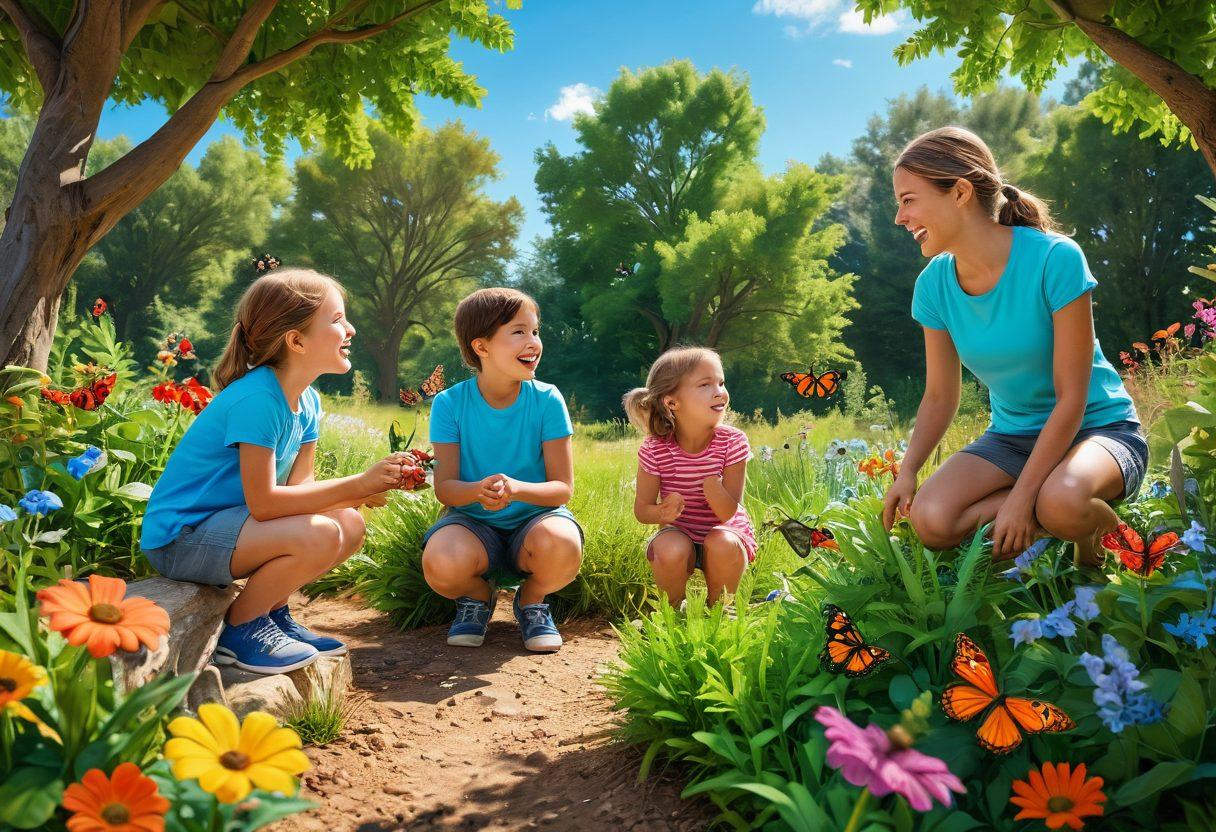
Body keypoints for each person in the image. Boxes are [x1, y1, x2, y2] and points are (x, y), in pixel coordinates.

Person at [881, 126, 1147, 565]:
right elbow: (940, 396)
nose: (900, 217)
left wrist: (1024, 498)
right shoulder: (933, 287)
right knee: (932, 521)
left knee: (1060, 501)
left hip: (1098, 430)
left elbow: (1072, 397)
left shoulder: (1054, 258)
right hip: (1013, 438)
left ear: (960, 192)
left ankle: (1119, 555)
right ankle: (1056, 519)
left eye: (908, 200)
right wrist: (908, 470)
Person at [141, 270, 405, 674]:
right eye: (337, 319)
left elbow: (301, 488)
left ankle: (273, 613)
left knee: (348, 523)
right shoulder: (258, 399)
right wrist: (357, 482)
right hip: (181, 539)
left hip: (229, 527)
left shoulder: (308, 400)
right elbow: (265, 504)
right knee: (321, 533)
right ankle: (241, 628)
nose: (350, 329)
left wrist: (361, 492)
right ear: (296, 341)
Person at [420, 287, 583, 652]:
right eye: (519, 331)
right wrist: (478, 491)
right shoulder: (449, 404)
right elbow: (445, 488)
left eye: (535, 331)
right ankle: (477, 597)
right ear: (481, 346)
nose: (533, 342)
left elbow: (562, 488)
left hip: (536, 521)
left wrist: (516, 489)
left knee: (563, 543)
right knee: (441, 561)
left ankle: (532, 601)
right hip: (472, 524)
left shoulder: (547, 400)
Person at [624, 347, 756, 607]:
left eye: (721, 383)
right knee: (668, 546)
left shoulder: (732, 441)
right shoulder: (655, 449)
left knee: (721, 543)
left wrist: (713, 488)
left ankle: (721, 611)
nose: (719, 392)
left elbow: (729, 513)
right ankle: (672, 611)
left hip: (726, 535)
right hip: (680, 533)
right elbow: (642, 510)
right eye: (705, 384)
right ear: (672, 403)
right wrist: (662, 512)